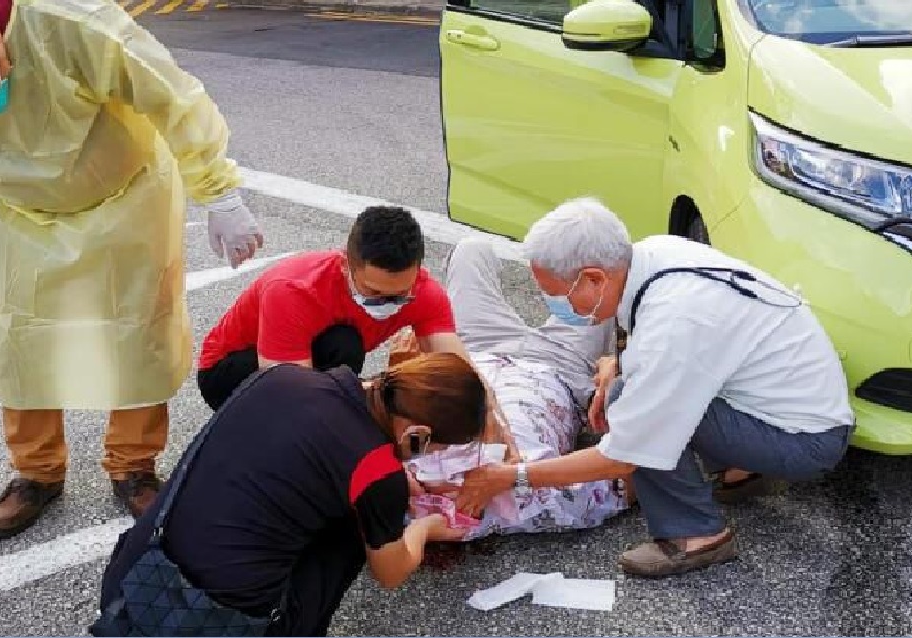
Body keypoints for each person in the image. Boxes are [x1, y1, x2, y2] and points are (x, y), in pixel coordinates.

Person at [0, 0, 264, 539]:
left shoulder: (74, 22)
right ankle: (36, 472)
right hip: (11, 212)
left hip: (124, 198)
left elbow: (172, 97)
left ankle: (133, 464)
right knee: (15, 335)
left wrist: (219, 193)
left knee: (138, 331)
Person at [455, 197, 854, 578]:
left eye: (557, 296)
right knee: (628, 388)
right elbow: (692, 347)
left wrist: (511, 477)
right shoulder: (655, 254)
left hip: (803, 441)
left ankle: (697, 535)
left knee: (631, 402)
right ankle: (742, 470)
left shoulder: (674, 322)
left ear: (594, 277)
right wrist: (621, 362)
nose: (557, 305)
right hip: (794, 409)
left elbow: (625, 456)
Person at [93, 353, 488, 637]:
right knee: (355, 529)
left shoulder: (284, 378)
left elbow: (314, 455)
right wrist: (425, 527)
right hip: (205, 624)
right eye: (438, 449)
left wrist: (392, 482)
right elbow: (390, 572)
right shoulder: (377, 473)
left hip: (131, 582)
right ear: (417, 433)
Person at [388, 238, 631, 540]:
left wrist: (404, 365)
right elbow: (626, 473)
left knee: (471, 249)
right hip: (558, 366)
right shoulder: (524, 500)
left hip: (473, 347)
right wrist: (621, 367)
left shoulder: (393, 450)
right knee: (610, 280)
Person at [197, 205, 463, 408]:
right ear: (345, 264)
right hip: (230, 369)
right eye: (374, 292)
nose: (386, 303)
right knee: (343, 355)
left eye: (399, 295)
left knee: (348, 359)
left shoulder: (424, 292)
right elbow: (288, 392)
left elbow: (459, 374)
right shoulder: (293, 290)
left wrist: (488, 427)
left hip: (312, 356)